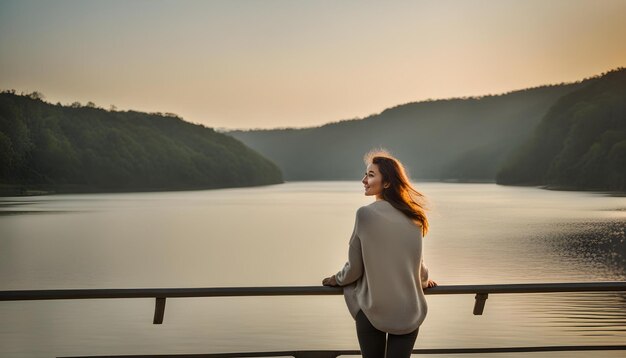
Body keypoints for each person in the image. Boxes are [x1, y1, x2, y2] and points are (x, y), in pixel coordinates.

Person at [322, 148, 437, 358]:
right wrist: (425, 281)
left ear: (387, 183)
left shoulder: (365, 215)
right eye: (366, 174)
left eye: (371, 175)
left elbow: (354, 269)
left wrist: (336, 280)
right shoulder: (415, 217)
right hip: (408, 311)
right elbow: (417, 264)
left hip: (372, 310)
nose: (364, 180)